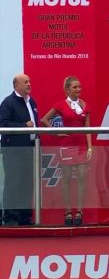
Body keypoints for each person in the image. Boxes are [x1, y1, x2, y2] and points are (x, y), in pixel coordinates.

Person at [40, 76, 93, 226]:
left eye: (80, 87)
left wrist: (90, 147)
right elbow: (44, 120)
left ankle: (80, 211)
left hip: (81, 145)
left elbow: (88, 128)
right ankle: (68, 211)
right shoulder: (60, 104)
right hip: (66, 145)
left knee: (82, 177)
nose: (78, 89)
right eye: (75, 87)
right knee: (67, 178)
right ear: (67, 89)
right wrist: (56, 133)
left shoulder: (85, 105)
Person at [0, 74, 38, 226]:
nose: (29, 84)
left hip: (30, 149)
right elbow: (3, 124)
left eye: (29, 81)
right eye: (25, 82)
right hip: (13, 151)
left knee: (27, 184)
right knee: (13, 183)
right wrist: (24, 126)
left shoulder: (31, 101)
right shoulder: (8, 102)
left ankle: (24, 217)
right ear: (16, 86)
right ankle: (10, 218)